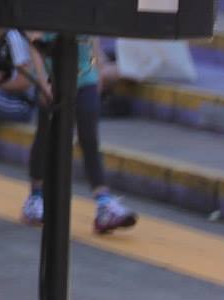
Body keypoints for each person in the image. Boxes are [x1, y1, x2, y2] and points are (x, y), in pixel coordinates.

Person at [17, 33, 138, 235]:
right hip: (52, 76)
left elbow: (92, 36)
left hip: (85, 77)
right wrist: (42, 81)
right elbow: (34, 43)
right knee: (45, 136)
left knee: (89, 137)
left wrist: (98, 67)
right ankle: (36, 195)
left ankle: (103, 202)